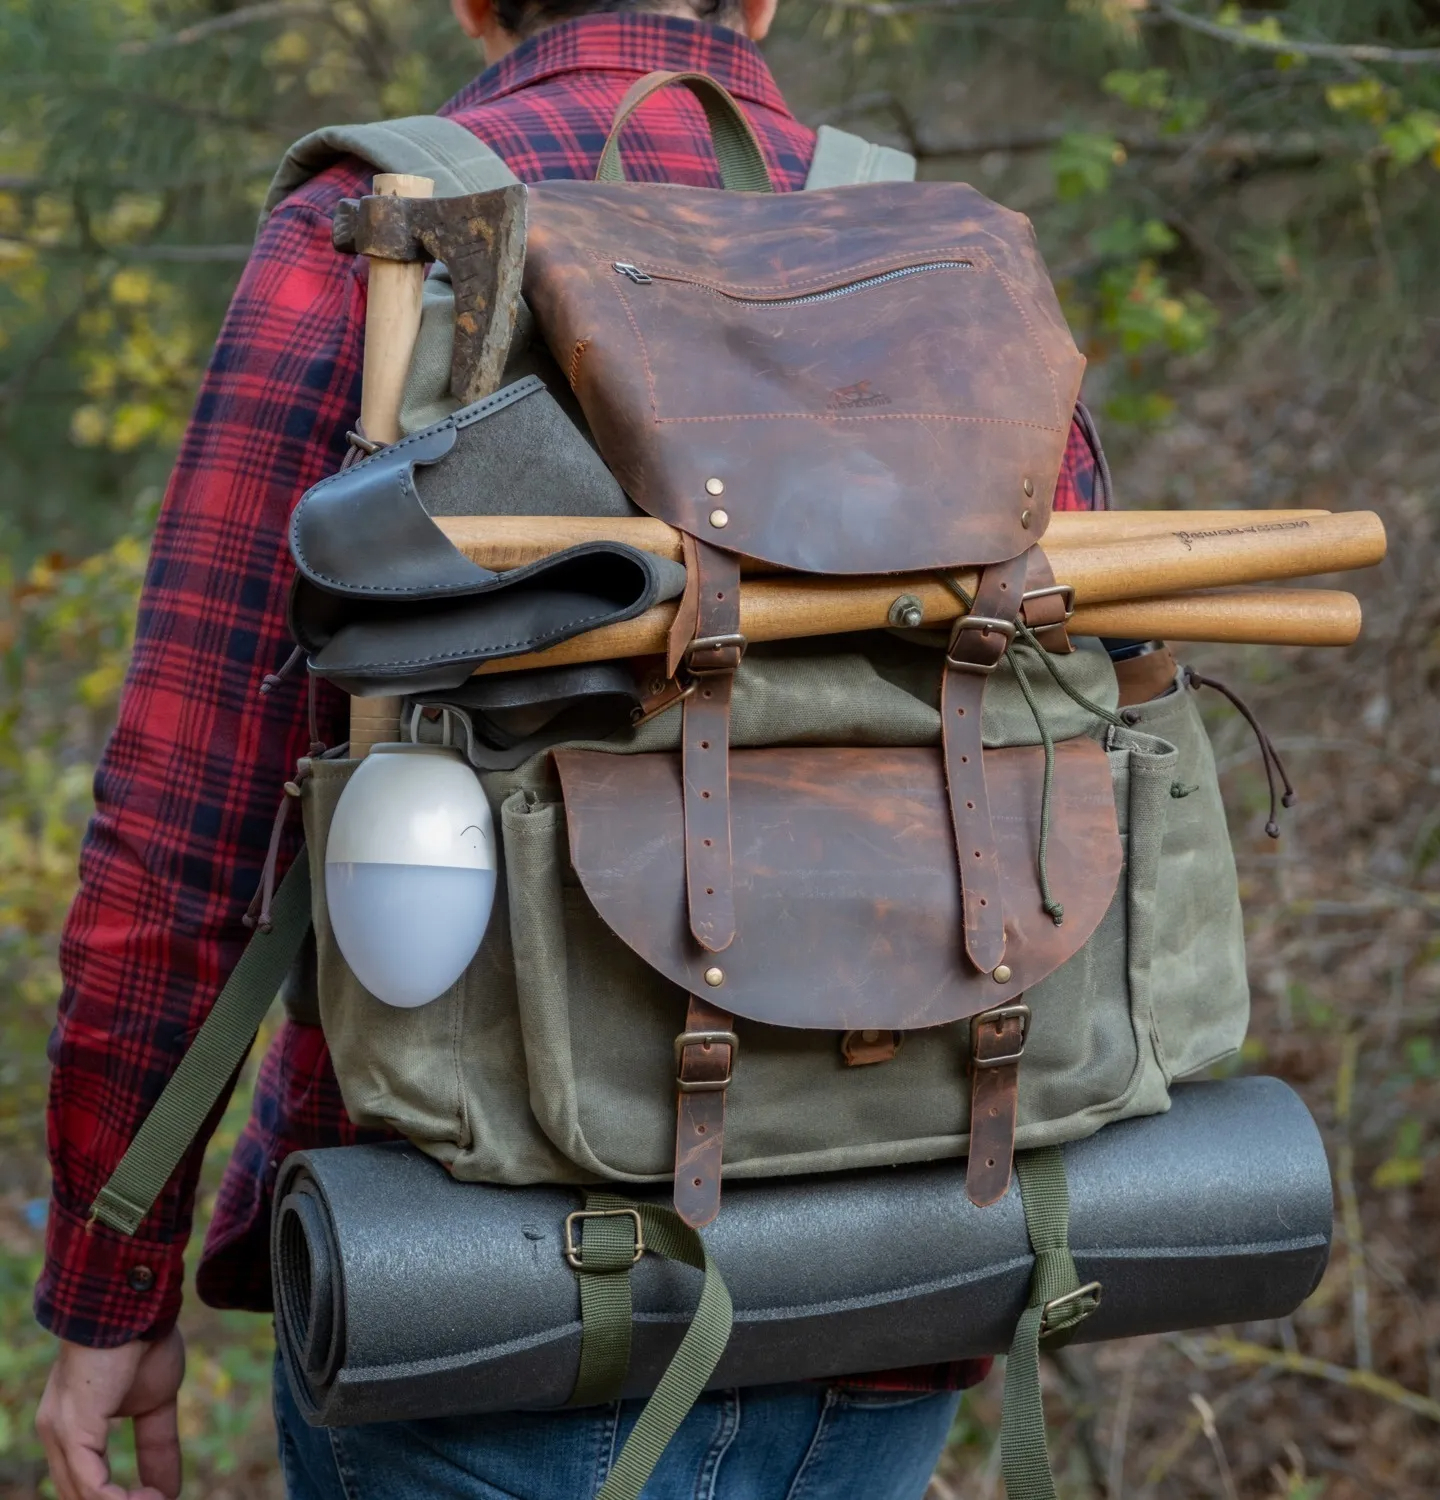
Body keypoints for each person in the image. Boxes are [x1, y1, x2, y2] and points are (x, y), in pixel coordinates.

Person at [33, 1, 1108, 1496]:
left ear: (478, 2)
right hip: (889, 1259)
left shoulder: (376, 231)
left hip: (483, 1291)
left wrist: (113, 1273)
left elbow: (191, 810)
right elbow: (1071, 709)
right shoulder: (941, 260)